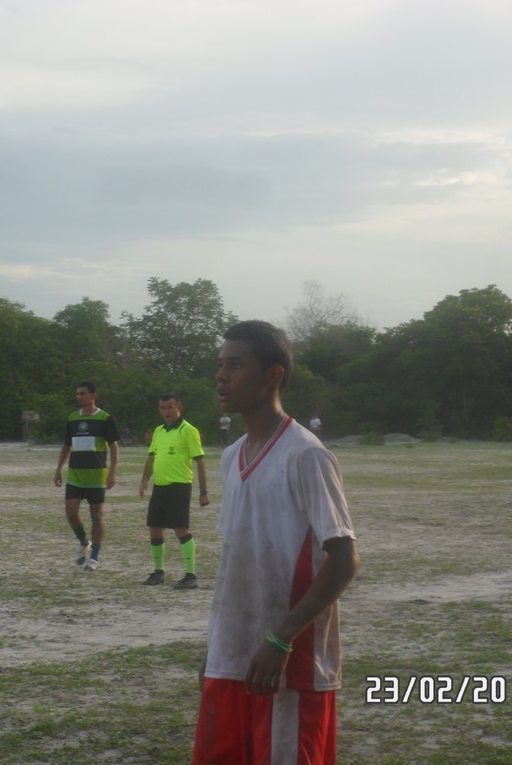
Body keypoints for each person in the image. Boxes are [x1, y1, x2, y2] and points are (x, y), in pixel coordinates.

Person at [192, 321, 359, 765]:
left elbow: (343, 561)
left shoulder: (306, 455)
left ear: (273, 375)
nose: (221, 376)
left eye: (237, 365)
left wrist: (282, 639)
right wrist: (216, 645)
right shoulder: (231, 456)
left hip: (288, 666)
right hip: (233, 657)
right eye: (221, 365)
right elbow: (238, 558)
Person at [138, 393, 209, 590]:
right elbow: (152, 458)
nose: (166, 411)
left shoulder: (188, 431)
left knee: (181, 529)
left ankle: (191, 575)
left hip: (179, 486)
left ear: (179, 408)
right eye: (162, 408)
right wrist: (144, 480)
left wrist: (204, 491)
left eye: (170, 407)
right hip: (160, 487)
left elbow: (200, 460)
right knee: (154, 528)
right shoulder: (159, 431)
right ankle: (158, 572)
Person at [53, 382, 120, 571]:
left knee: (96, 516)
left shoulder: (105, 418)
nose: (79, 397)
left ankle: (95, 557)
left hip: (96, 476)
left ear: (93, 396)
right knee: (71, 512)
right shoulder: (72, 418)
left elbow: (114, 446)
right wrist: (58, 469)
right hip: (75, 475)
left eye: (83, 394)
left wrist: (113, 472)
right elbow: (67, 446)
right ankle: (84, 542)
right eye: (77, 394)